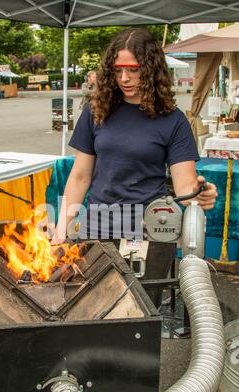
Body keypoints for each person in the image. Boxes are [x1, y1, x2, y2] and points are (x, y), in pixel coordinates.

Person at [53, 28, 217, 301]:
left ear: (151, 69)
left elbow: (186, 186)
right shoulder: (95, 112)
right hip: (98, 229)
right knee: (93, 308)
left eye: (134, 70)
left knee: (140, 315)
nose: (125, 78)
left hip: (150, 233)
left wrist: (201, 193)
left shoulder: (173, 120)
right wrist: (60, 232)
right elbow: (80, 177)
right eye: (117, 71)